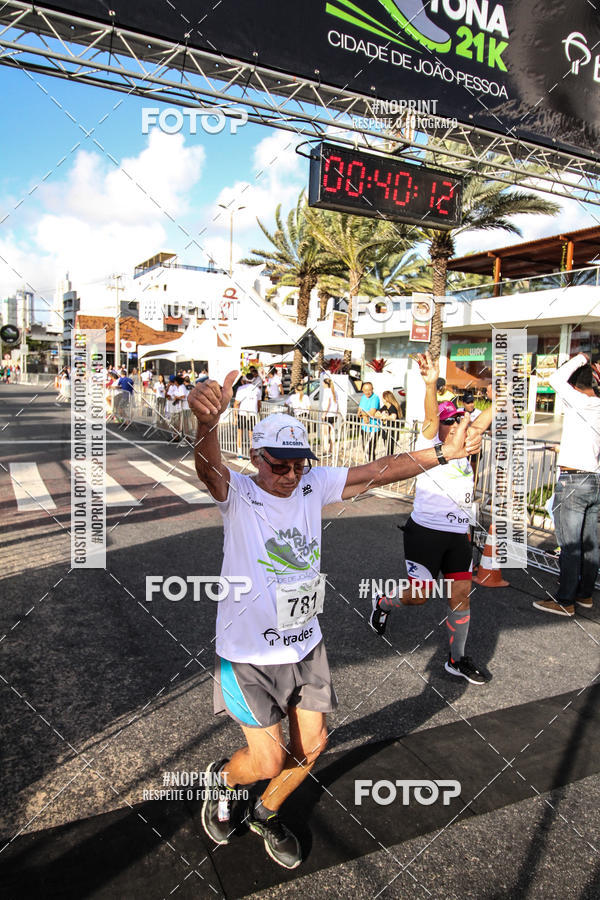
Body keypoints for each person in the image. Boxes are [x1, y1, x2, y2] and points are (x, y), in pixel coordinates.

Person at [187, 370, 481, 869]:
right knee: (267, 759)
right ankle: (225, 780)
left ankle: (266, 811)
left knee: (314, 746)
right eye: (280, 466)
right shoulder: (239, 492)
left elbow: (376, 470)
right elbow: (208, 468)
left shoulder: (311, 483)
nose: (291, 476)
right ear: (256, 459)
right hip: (249, 653)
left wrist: (442, 454)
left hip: (305, 642)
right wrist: (207, 426)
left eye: (300, 465)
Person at [370, 351, 494, 685]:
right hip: (425, 533)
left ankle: (456, 659)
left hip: (458, 535)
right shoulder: (429, 441)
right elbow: (428, 417)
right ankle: (384, 602)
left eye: (457, 420)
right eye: (448, 420)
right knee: (420, 595)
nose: (454, 425)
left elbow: (482, 419)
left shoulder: (467, 444)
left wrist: (503, 395)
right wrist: (429, 386)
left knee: (461, 595)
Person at [533, 353, 600, 616]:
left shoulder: (580, 401)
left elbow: (554, 377)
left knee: (570, 545)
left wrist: (581, 358)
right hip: (595, 479)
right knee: (589, 542)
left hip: (574, 481)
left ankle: (565, 601)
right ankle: (585, 595)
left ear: (575, 386)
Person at [234, 376, 262, 457]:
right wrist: (258, 412)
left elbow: (236, 403)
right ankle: (251, 454)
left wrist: (235, 417)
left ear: (245, 380)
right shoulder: (257, 389)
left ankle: (239, 454)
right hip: (253, 413)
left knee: (239, 433)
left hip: (242, 413)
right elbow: (259, 403)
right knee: (251, 434)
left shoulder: (241, 389)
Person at [358, 382, 380, 462]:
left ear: (372, 389)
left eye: (369, 390)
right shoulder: (363, 397)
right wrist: (364, 415)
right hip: (364, 427)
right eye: (365, 390)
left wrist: (364, 415)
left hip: (374, 428)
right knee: (365, 448)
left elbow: (372, 413)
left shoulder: (375, 398)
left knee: (370, 449)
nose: (367, 392)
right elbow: (358, 412)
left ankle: (372, 466)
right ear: (362, 390)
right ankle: (368, 465)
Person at [377, 390, 403, 455]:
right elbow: (376, 414)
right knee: (387, 449)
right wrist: (381, 415)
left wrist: (386, 417)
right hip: (385, 431)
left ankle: (390, 463)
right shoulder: (385, 406)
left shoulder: (392, 407)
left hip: (392, 432)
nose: (382, 399)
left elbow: (393, 417)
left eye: (383, 398)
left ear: (386, 399)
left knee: (390, 451)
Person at [321, 377, 339, 456]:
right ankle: (331, 449)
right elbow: (336, 403)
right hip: (333, 414)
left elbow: (328, 403)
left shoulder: (326, 391)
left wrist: (324, 413)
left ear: (325, 384)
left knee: (325, 433)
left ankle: (326, 450)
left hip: (328, 414)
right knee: (331, 432)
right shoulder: (334, 391)